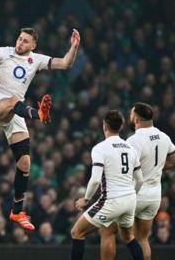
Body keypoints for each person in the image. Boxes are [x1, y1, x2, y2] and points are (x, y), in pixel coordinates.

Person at [0, 27, 80, 230]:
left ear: (33, 45)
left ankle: (16, 211)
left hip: (15, 112)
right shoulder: (4, 52)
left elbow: (65, 63)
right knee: (13, 100)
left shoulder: (36, 59)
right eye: (19, 39)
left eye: (25, 41)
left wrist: (73, 47)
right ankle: (37, 114)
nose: (19, 43)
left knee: (24, 164)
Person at [99, 102, 175, 260]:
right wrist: (156, 168)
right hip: (154, 196)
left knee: (107, 231)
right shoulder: (163, 136)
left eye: (131, 115)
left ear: (136, 119)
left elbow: (125, 168)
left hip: (135, 193)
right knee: (142, 238)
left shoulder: (134, 140)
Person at [70, 110, 144, 260]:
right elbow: (140, 180)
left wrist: (86, 199)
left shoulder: (100, 148)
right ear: (121, 126)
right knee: (124, 236)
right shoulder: (131, 149)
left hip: (112, 200)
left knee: (77, 232)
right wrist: (131, 194)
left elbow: (96, 179)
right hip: (130, 200)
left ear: (104, 126)